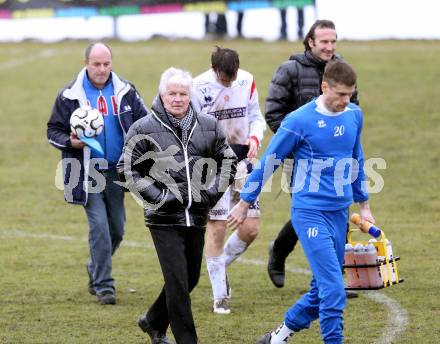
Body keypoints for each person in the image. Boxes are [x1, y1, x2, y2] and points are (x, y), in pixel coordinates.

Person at [228, 60, 374, 344]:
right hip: (309, 213)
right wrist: (245, 202)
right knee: (334, 290)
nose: (346, 100)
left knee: (322, 289)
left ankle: (278, 337)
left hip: (339, 213)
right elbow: (270, 161)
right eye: (340, 94)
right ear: (324, 87)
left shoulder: (354, 115)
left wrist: (364, 204)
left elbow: (356, 158)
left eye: (350, 94)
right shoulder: (298, 121)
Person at [117, 67, 237, 344]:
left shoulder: (209, 125)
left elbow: (229, 162)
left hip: (196, 214)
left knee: (190, 278)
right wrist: (158, 197)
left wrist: (210, 194)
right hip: (162, 219)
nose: (178, 99)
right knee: (178, 283)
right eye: (172, 93)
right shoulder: (143, 128)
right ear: (162, 94)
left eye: (183, 93)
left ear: (190, 95)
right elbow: (125, 169)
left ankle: (153, 321)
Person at [47, 42, 148, 305]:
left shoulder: (126, 91)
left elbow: (144, 122)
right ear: (86, 64)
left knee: (117, 229)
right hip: (84, 172)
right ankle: (105, 286)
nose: (101, 69)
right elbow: (52, 131)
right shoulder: (69, 95)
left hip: (116, 171)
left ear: (111, 64)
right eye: (96, 64)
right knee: (100, 228)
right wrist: (71, 143)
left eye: (106, 64)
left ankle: (94, 267)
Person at [265, 20, 359, 297]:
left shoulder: (343, 69)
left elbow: (353, 109)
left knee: (335, 211)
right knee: (310, 211)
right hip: (301, 160)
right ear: (310, 42)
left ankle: (332, 279)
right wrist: (297, 144)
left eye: (333, 41)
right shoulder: (290, 70)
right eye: (324, 42)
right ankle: (283, 254)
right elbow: (274, 113)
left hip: (337, 159)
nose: (329, 47)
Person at [193, 46, 266, 314]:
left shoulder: (246, 80)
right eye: (225, 79)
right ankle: (220, 297)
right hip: (213, 166)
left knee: (250, 229)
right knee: (217, 227)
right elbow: (191, 129)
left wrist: (255, 138)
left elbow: (257, 117)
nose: (229, 83)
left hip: (245, 164)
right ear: (215, 71)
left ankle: (218, 264)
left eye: (232, 78)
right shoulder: (197, 87)